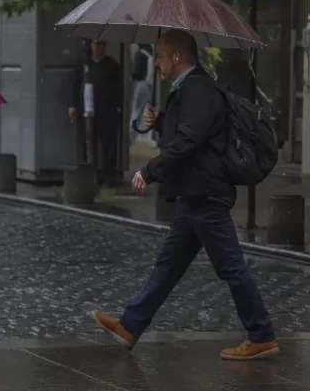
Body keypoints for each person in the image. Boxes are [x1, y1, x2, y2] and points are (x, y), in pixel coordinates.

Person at [90, 30, 279, 360]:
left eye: (160, 57)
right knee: (168, 265)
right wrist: (161, 121)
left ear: (177, 57)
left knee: (231, 266)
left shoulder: (198, 88)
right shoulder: (189, 90)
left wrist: (150, 171)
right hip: (194, 195)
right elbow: (193, 134)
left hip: (206, 193)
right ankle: (131, 326)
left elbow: (191, 140)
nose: (157, 63)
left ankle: (262, 334)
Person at [69, 40, 123, 187]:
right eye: (96, 44)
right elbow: (75, 84)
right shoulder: (83, 64)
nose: (99, 48)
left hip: (107, 110)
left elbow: (119, 87)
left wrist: (118, 107)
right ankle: (89, 175)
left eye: (102, 45)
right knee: (87, 144)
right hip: (87, 110)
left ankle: (109, 177)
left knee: (109, 145)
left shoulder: (112, 65)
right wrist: (73, 106)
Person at [129, 44, 154, 142]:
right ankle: (134, 134)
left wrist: (131, 76)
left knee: (135, 109)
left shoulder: (139, 54)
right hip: (148, 85)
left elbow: (137, 71)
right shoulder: (150, 54)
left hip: (140, 84)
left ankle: (131, 133)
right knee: (139, 111)